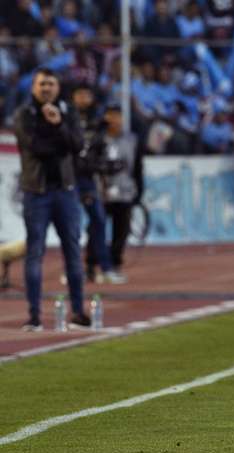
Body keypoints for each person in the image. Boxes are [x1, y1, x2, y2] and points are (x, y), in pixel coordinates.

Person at [14, 67, 91, 331]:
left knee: (72, 251)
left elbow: (77, 145)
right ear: (33, 88)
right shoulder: (24, 114)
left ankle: (78, 312)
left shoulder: (67, 113)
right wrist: (58, 135)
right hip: (37, 192)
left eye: (51, 83)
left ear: (58, 87)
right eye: (41, 84)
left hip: (66, 191)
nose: (46, 88)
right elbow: (35, 147)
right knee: (35, 253)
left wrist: (58, 125)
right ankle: (34, 316)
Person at [71, 84, 125, 284]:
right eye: (80, 94)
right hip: (69, 179)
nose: (84, 98)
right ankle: (73, 268)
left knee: (99, 221)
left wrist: (104, 170)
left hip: (88, 180)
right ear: (74, 97)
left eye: (87, 94)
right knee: (71, 225)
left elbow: (100, 153)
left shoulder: (98, 123)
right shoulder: (67, 118)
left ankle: (104, 268)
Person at [93, 103, 144, 277]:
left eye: (118, 115)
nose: (114, 120)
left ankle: (115, 264)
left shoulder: (132, 140)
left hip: (125, 192)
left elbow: (137, 167)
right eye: (111, 115)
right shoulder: (98, 139)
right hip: (102, 192)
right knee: (95, 229)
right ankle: (90, 265)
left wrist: (139, 191)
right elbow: (91, 164)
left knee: (121, 231)